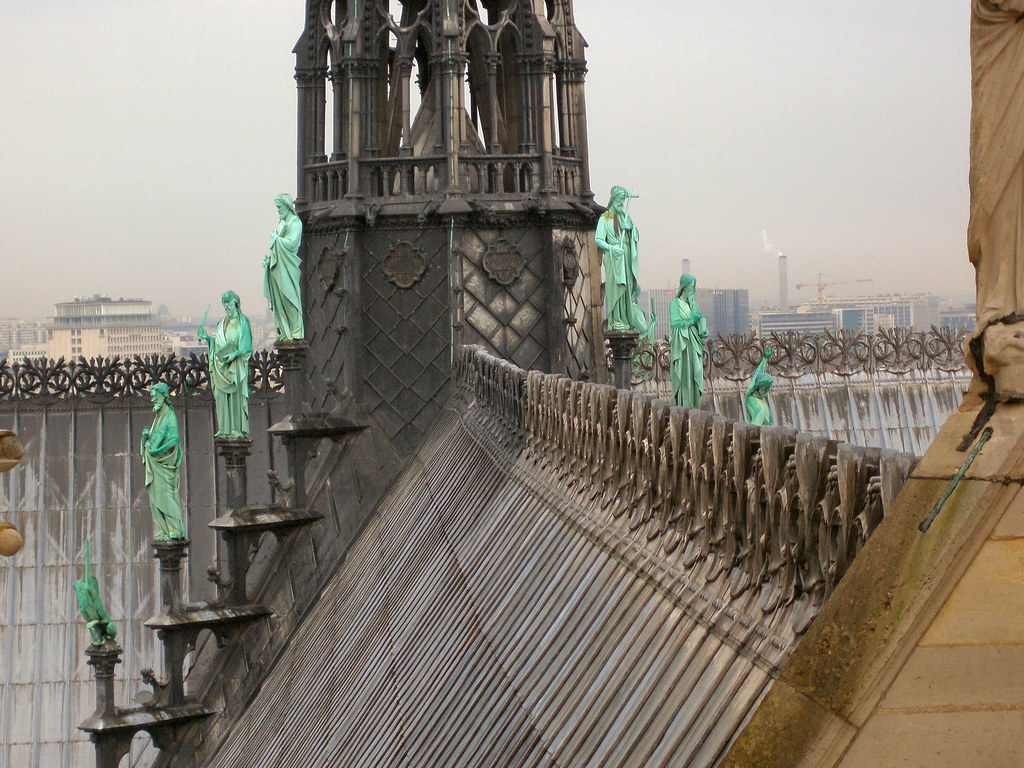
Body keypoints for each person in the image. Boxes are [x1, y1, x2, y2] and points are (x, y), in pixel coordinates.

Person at [595, 186, 655, 341]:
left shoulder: (625, 217)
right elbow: (598, 239)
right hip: (614, 259)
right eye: (620, 200)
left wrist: (630, 229)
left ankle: (625, 318)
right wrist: (611, 249)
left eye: (623, 200)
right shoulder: (604, 218)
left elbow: (635, 235)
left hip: (625, 257)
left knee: (627, 289)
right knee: (616, 289)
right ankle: (616, 319)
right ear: (613, 199)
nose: (622, 203)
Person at [198, 291, 253, 438]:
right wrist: (208, 339)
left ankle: (236, 428)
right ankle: (224, 428)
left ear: (235, 302)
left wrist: (235, 354)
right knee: (221, 397)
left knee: (235, 398)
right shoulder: (221, 323)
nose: (226, 306)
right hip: (221, 367)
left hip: (235, 367)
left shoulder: (243, 322)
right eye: (224, 303)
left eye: (228, 302)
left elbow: (247, 347)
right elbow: (218, 344)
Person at [141, 382, 185, 539]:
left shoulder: (170, 417)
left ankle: (174, 528)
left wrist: (156, 451)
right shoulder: (158, 418)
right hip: (156, 463)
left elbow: (174, 440)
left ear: (162, 395)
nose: (152, 400)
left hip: (165, 464)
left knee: (167, 495)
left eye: (154, 396)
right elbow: (152, 441)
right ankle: (165, 527)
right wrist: (145, 437)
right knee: (156, 497)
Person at [263, 193, 305, 341]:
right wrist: (269, 262)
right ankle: (286, 331)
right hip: (279, 267)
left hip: (289, 267)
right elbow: (276, 248)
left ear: (287, 207)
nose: (278, 210)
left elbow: (292, 244)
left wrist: (276, 239)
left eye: (280, 207)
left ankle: (296, 331)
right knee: (280, 300)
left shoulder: (296, 223)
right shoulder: (282, 223)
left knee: (290, 298)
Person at [669, 273, 709, 408]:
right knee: (684, 374)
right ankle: (684, 403)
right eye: (692, 286)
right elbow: (675, 324)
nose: (694, 290)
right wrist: (692, 320)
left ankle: (694, 403)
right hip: (683, 346)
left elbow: (698, 324)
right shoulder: (675, 304)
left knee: (694, 372)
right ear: (684, 287)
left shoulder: (694, 305)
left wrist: (702, 329)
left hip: (694, 344)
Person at [745, 348, 774, 426]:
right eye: (765, 388)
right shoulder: (752, 399)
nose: (767, 390)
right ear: (758, 387)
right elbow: (755, 429)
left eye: (768, 388)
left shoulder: (761, 397)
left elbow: (758, 373)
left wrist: (765, 358)